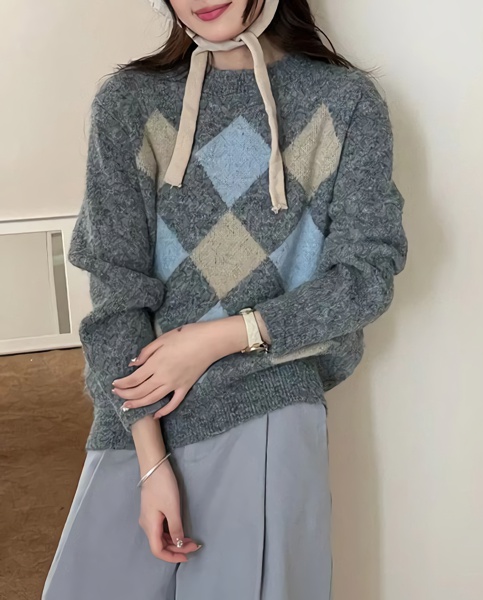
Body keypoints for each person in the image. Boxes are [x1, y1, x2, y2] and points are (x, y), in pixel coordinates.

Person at [42, 0, 407, 598]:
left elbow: (366, 275)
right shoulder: (128, 102)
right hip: (141, 413)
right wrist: (150, 461)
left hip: (270, 408)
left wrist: (221, 338)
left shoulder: (345, 103)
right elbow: (115, 291)